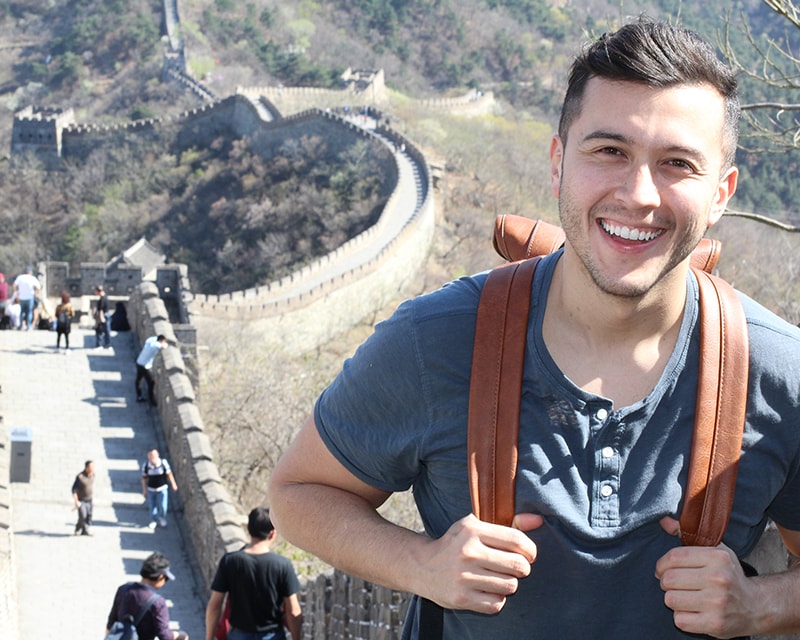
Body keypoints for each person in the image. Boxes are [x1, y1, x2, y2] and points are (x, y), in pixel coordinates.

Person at [268, 19, 800, 640]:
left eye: (677, 164)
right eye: (610, 151)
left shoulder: (776, 374)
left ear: (721, 193)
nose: (638, 194)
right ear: (558, 164)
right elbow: (299, 491)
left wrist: (759, 606)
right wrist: (423, 564)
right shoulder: (438, 341)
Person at [204, 507, 303, 640]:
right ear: (272, 533)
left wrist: (209, 637)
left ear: (248, 530)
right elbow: (293, 610)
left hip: (238, 635)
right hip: (272, 635)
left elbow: (215, 605)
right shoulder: (283, 565)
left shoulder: (230, 561)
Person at [105, 551, 189, 640]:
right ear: (160, 577)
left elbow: (110, 624)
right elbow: (164, 636)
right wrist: (180, 635)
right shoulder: (158, 603)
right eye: (166, 578)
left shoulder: (123, 589)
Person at [141, 448, 178, 529]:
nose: (152, 457)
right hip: (151, 489)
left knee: (163, 506)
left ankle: (162, 517)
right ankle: (153, 520)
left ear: (158, 455)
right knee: (152, 506)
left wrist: (173, 484)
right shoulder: (146, 465)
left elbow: (169, 474)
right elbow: (144, 478)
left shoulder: (163, 463)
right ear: (148, 457)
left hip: (162, 488)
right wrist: (144, 490)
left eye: (154, 455)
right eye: (151, 456)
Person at [136, 334, 168, 406]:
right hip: (145, 365)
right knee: (151, 382)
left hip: (139, 362)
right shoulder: (156, 345)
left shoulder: (151, 340)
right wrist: (165, 344)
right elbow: (164, 346)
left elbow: (154, 338)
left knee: (138, 380)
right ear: (161, 341)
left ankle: (139, 396)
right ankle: (151, 400)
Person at [71, 460, 95, 536]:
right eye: (91, 467)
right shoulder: (80, 477)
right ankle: (78, 528)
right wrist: (76, 501)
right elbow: (74, 490)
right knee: (83, 515)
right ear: (86, 468)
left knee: (89, 516)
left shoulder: (93, 475)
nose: (93, 468)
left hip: (90, 500)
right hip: (82, 501)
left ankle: (85, 530)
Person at [13, 266, 40, 330]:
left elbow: (14, 285)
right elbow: (38, 287)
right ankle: (28, 326)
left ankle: (20, 326)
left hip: (22, 297)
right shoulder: (32, 278)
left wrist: (16, 293)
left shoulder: (20, 277)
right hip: (30, 297)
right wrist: (36, 293)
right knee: (29, 312)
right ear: (30, 272)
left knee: (21, 312)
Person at [94, 284, 111, 348]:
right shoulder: (105, 297)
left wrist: (101, 319)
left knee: (100, 330)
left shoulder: (102, 299)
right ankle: (107, 344)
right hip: (106, 315)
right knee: (106, 331)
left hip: (103, 316)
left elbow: (101, 310)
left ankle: (101, 344)